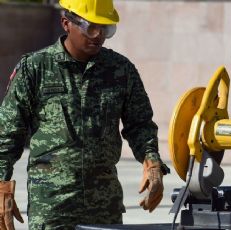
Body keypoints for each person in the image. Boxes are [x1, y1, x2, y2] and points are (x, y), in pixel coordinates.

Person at [0, 0, 169, 229]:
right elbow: (8, 133)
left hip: (104, 205)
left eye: (106, 29)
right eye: (91, 27)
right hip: (52, 206)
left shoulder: (121, 70)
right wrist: (1, 184)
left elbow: (140, 125)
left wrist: (152, 163)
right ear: (66, 23)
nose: (98, 35)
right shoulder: (35, 68)